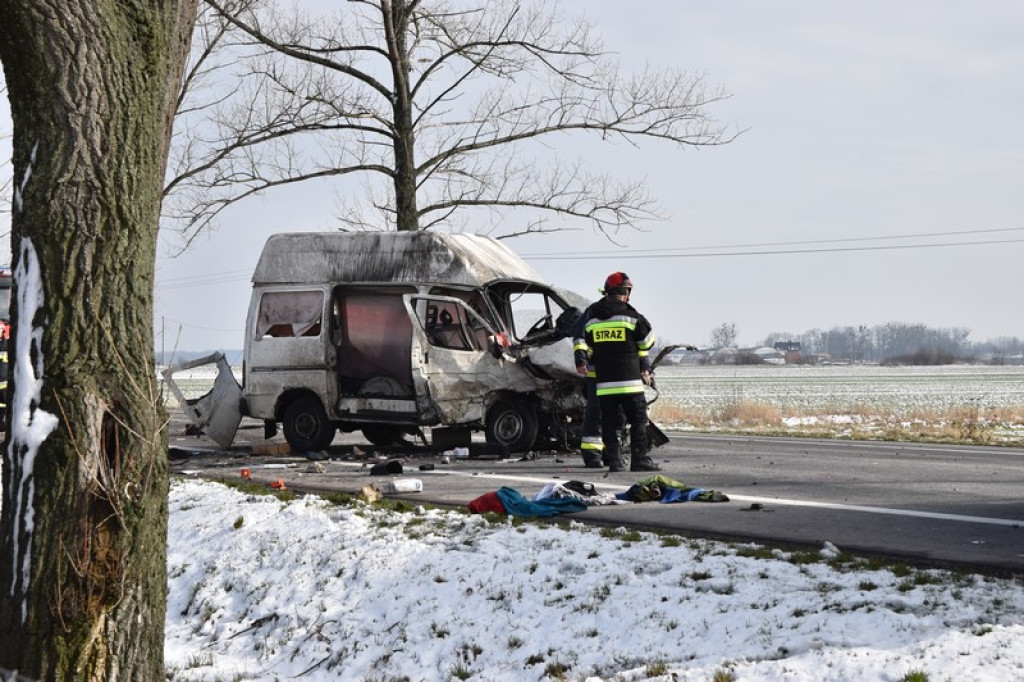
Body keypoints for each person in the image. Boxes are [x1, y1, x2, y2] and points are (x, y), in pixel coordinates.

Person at [574, 272, 659, 473]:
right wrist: (644, 364)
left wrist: (581, 360)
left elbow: (580, 340)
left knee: (609, 423)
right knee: (638, 419)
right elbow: (647, 341)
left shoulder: (592, 316)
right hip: (629, 382)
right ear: (626, 292)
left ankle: (614, 462)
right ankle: (639, 460)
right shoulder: (630, 315)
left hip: (604, 383)